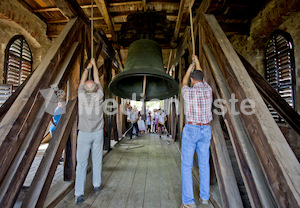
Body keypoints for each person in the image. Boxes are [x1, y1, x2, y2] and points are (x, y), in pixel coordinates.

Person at [180, 55, 213, 208]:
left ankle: (189, 202)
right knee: (204, 164)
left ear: (192, 80)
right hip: (205, 129)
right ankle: (205, 198)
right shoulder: (208, 90)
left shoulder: (188, 92)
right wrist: (197, 62)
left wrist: (189, 68)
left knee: (187, 165)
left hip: (191, 129)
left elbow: (183, 82)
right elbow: (200, 75)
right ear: (202, 79)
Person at [75, 58, 104, 204]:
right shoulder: (99, 96)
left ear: (85, 90)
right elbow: (98, 81)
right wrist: (95, 66)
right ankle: (96, 185)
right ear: (96, 89)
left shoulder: (81, 95)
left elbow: (81, 82)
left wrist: (87, 68)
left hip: (84, 134)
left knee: (81, 163)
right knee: (97, 159)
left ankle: (79, 193)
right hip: (98, 133)